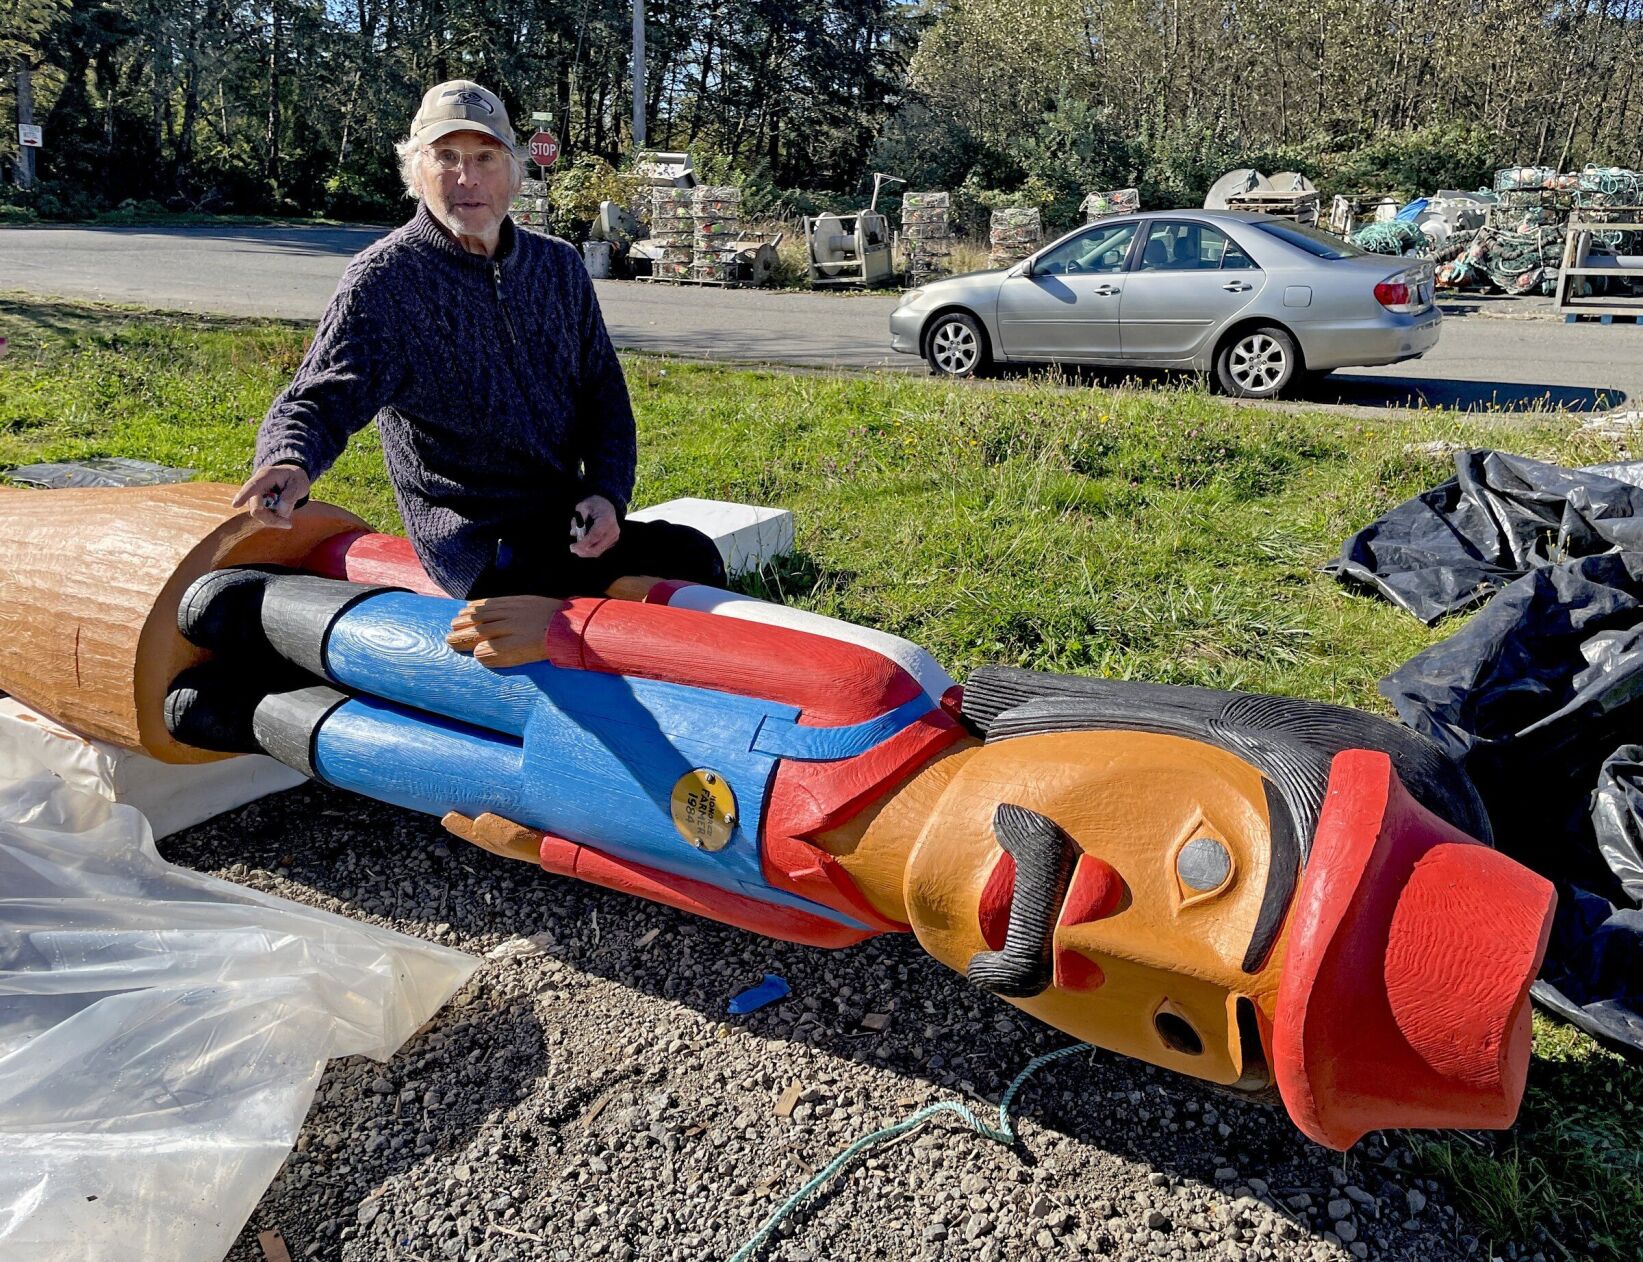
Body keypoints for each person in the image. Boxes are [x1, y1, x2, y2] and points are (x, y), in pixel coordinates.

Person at [234, 79, 725, 607]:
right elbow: (321, 396)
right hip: (477, 538)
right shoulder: (386, 280)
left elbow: (603, 396)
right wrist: (289, 459)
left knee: (696, 556)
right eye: (446, 156)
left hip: (562, 514)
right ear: (416, 172)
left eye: (485, 158)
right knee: (568, 598)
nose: (467, 178)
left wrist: (606, 494)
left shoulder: (557, 266)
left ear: (514, 173)